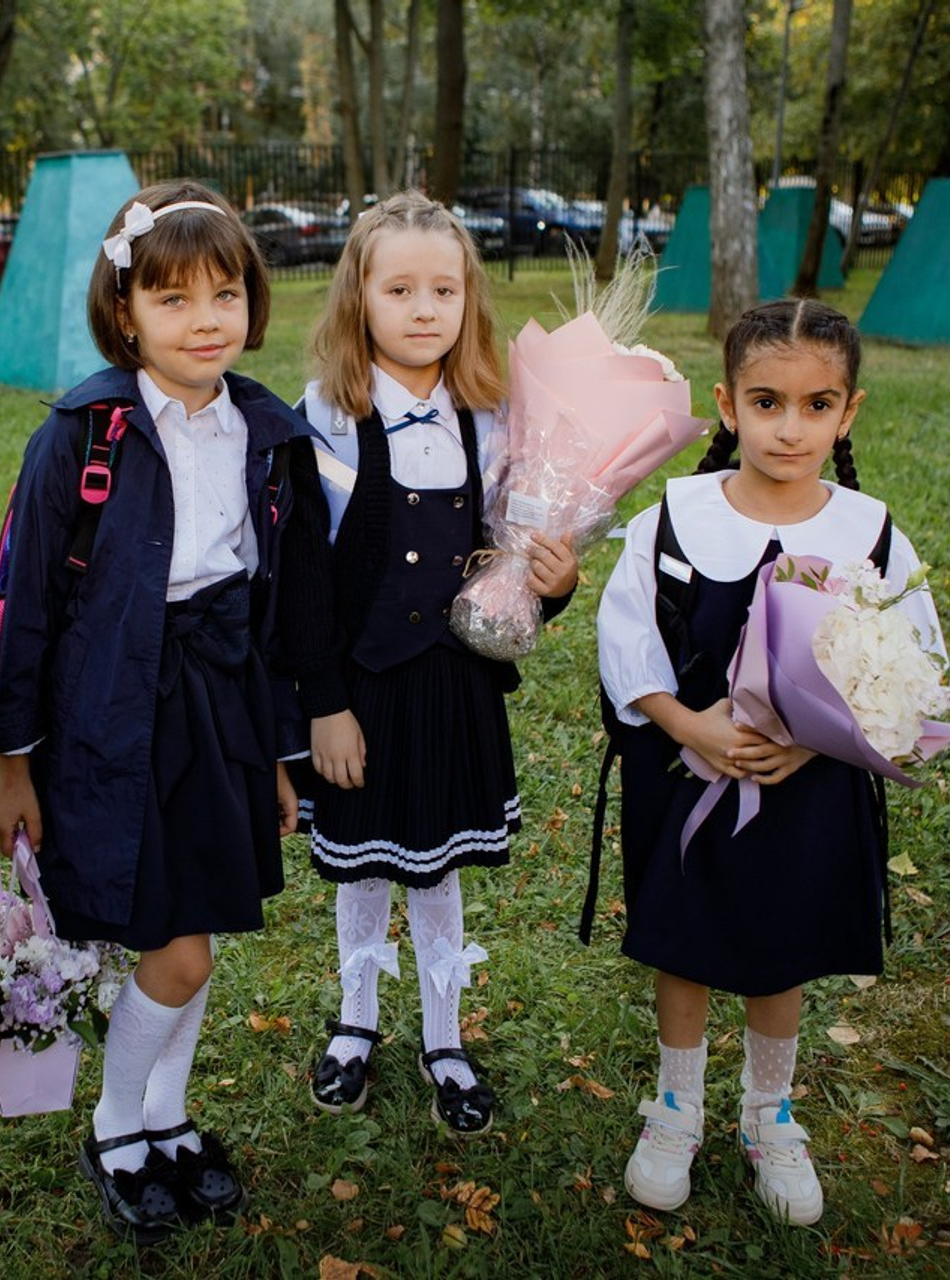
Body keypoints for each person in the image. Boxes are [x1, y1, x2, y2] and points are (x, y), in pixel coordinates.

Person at [0, 180, 305, 1241]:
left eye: (224, 293)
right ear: (125, 312)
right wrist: (13, 762)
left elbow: (271, 606)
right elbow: (25, 605)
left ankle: (166, 1114)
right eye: (173, 299)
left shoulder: (267, 432)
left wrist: (275, 754)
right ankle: (117, 1121)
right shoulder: (82, 436)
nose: (204, 318)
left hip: (223, 708)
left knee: (197, 923)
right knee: (177, 952)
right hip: (111, 714)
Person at [597, 299, 945, 1225]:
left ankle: (770, 1111)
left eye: (817, 405)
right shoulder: (670, 523)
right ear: (726, 403)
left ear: (849, 411)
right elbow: (625, 644)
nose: (791, 429)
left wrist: (819, 733)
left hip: (808, 790)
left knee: (779, 940)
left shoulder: (873, 537)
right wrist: (689, 725)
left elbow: (911, 671)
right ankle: (676, 1107)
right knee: (686, 933)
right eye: (766, 402)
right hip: (686, 780)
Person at [279, 190, 578, 1136]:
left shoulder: (492, 420)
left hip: (451, 685)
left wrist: (554, 580)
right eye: (399, 288)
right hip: (360, 691)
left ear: (467, 300)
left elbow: (507, 567)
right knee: (365, 868)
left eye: (443, 289)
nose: (422, 308)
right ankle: (356, 1023)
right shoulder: (322, 417)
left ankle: (444, 1036)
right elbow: (303, 584)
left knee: (436, 868)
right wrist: (323, 705)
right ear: (357, 297)